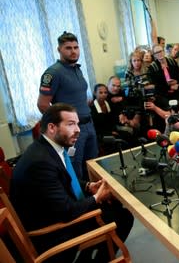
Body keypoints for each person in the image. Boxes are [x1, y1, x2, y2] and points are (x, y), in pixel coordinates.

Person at [10, 103, 134, 262]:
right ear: (52, 127)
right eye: (70, 124)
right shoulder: (40, 162)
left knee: (115, 207)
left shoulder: (49, 148)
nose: (78, 129)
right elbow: (67, 211)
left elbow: (63, 179)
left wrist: (88, 186)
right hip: (53, 232)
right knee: (123, 217)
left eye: (77, 124)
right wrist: (97, 198)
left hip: (56, 212)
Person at [37, 31, 98, 180]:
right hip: (72, 130)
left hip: (88, 124)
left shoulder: (77, 68)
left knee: (93, 166)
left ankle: (97, 199)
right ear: (59, 50)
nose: (73, 51)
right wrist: (63, 125)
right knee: (75, 169)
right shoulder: (53, 73)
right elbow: (42, 104)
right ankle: (80, 202)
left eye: (76, 47)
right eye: (68, 48)